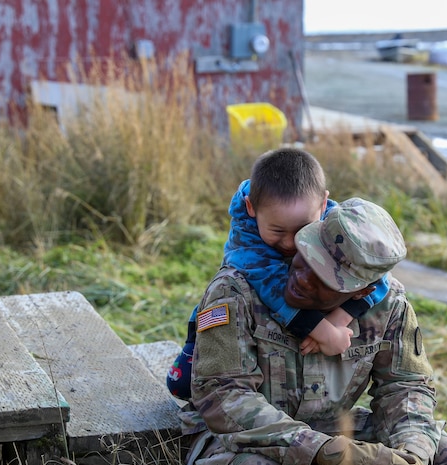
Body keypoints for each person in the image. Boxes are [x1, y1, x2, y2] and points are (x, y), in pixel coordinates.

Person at [179, 197, 447, 465]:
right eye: (305, 256)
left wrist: (412, 456)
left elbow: (408, 386)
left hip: (330, 429)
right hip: (241, 443)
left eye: (325, 278)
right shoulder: (237, 289)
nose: (302, 278)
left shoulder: (389, 305)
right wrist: (329, 452)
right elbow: (223, 397)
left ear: (363, 291)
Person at [166, 148, 389, 398]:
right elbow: (273, 288)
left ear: (323, 204)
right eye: (277, 231)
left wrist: (340, 318)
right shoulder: (246, 242)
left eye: (303, 229)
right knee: (183, 384)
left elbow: (377, 275)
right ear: (251, 207)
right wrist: (323, 332)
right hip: (231, 315)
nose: (291, 243)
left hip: (313, 318)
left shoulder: (336, 223)